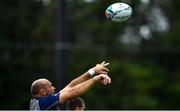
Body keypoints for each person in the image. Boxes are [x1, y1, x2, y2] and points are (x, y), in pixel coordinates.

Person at [30, 61, 111, 110]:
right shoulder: (43, 102)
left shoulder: (43, 102)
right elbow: (72, 92)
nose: (54, 88)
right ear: (43, 92)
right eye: (50, 86)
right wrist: (95, 79)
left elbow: (70, 86)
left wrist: (93, 71)